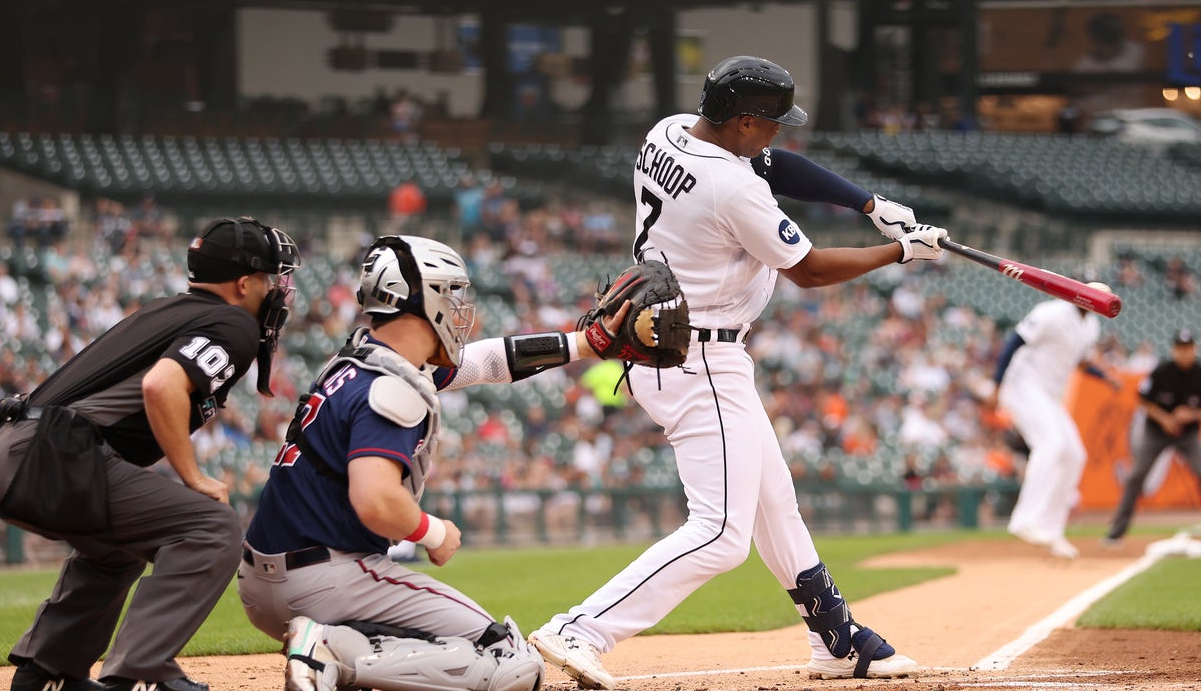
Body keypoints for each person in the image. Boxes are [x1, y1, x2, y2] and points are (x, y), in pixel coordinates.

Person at [527, 55, 947, 689]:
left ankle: (836, 638)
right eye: (772, 122)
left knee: (774, 502)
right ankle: (580, 629)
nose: (779, 133)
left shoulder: (668, 131)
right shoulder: (734, 187)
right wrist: (901, 251)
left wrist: (869, 203)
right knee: (722, 533)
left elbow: (777, 165)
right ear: (744, 121)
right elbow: (806, 270)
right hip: (699, 357)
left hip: (659, 341)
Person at [236, 235, 625, 691]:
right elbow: (375, 498)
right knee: (513, 661)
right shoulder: (392, 386)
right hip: (326, 578)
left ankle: (332, 650)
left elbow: (487, 363)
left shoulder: (358, 360)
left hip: (265, 581)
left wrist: (588, 341)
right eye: (451, 291)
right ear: (419, 298)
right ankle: (329, 652)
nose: (460, 306)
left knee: (421, 647)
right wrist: (433, 532)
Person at [0, 217, 302, 691]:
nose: (276, 290)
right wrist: (193, 477)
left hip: (14, 449)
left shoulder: (175, 310)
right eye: (271, 278)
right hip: (48, 454)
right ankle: (143, 670)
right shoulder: (232, 322)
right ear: (244, 283)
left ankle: (48, 673)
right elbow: (161, 385)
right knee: (211, 527)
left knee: (117, 549)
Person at [986, 280, 1119, 559]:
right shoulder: (1051, 312)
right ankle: (1025, 519)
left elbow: (1081, 363)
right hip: (1023, 386)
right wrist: (996, 387)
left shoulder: (1090, 326)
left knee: (1075, 455)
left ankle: (1052, 530)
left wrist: (1105, 377)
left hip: (1049, 395)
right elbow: (1014, 342)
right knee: (1052, 444)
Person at [1103, 330, 1201, 547]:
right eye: (1181, 348)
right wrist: (1165, 418)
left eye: (1188, 348)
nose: (1185, 353)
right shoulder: (1162, 371)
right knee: (1136, 476)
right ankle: (1116, 531)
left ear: (1194, 349)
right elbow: (1143, 400)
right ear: (1174, 349)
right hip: (1156, 432)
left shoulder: (1198, 372)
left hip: (1188, 433)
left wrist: (1191, 414)